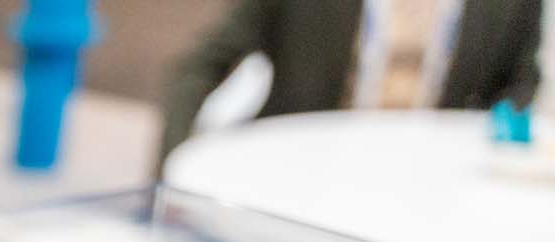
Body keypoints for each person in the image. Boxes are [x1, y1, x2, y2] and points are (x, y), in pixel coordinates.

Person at [158, 0, 544, 166]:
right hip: (300, 175)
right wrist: (172, 173)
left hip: (429, 189)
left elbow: (522, 80)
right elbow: (199, 67)